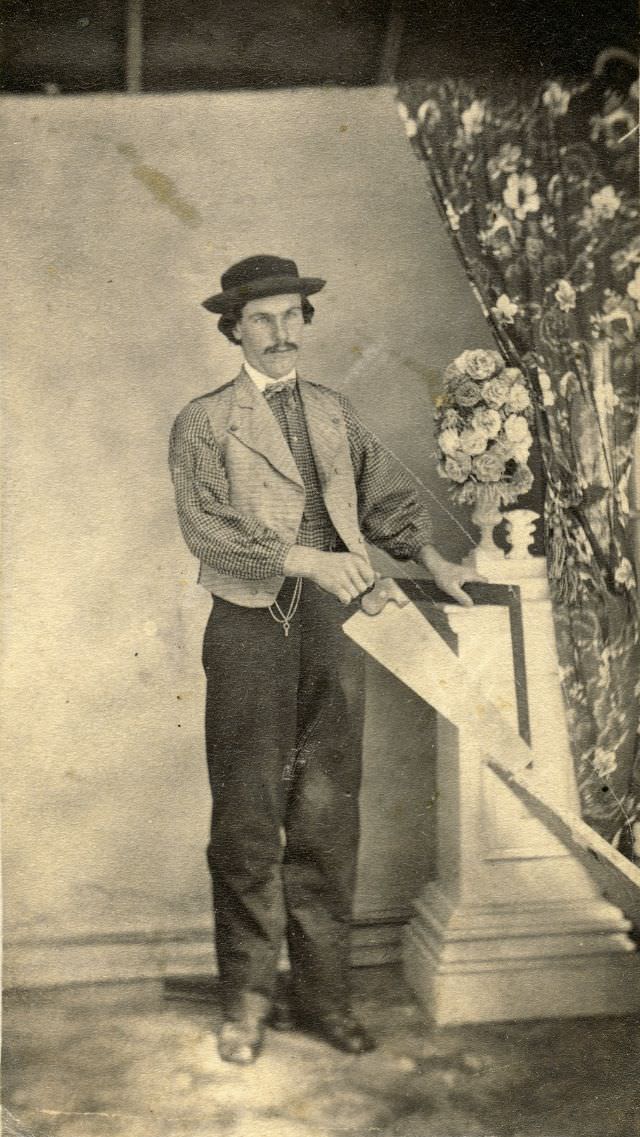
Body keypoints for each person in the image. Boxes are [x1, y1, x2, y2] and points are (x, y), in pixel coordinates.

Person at [169, 254, 481, 1065]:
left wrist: (432, 557)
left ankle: (323, 995)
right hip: (248, 628)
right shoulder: (204, 421)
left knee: (326, 815)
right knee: (245, 820)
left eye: (291, 316)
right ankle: (246, 999)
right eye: (261, 319)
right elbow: (207, 529)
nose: (279, 333)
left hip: (336, 628)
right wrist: (303, 560)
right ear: (233, 327)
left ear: (307, 322)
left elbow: (384, 499)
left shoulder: (335, 413)